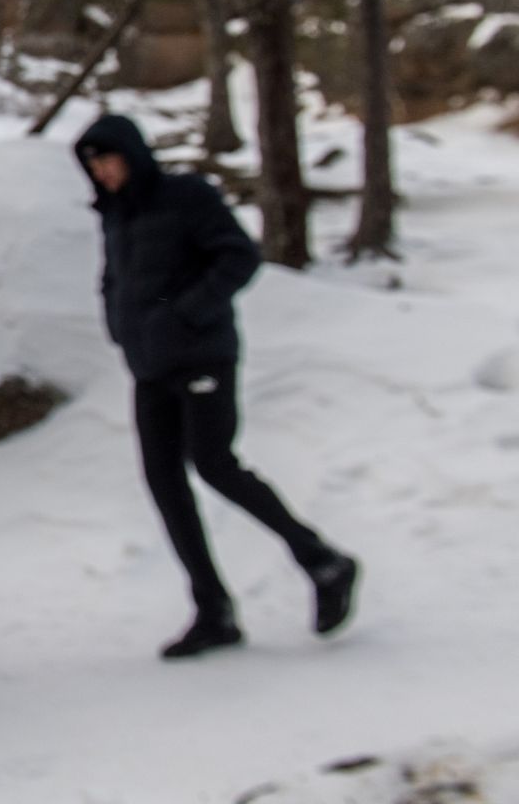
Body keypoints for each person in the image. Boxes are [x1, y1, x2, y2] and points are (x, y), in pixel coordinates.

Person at [75, 114, 359, 660]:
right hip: (150, 366)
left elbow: (239, 257)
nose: (102, 172)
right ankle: (213, 610)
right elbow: (118, 277)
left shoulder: (186, 195)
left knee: (214, 464)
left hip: (202, 355)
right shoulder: (114, 215)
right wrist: (118, 319)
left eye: (108, 159)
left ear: (132, 154)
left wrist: (186, 314)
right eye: (93, 165)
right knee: (164, 483)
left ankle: (323, 561)